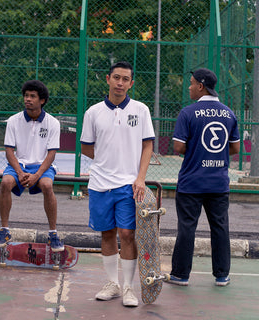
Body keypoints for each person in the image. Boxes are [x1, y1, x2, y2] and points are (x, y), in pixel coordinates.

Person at [80, 61, 155, 307]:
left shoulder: (141, 110)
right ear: (108, 79)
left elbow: (147, 145)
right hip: (100, 183)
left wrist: (140, 177)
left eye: (125, 79)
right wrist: (106, 161)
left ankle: (128, 288)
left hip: (128, 185)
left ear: (131, 83)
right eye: (116, 78)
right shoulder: (92, 112)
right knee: (108, 233)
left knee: (127, 234)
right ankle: (112, 283)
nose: (120, 83)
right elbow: (86, 147)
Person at [169, 68, 240, 287]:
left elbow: (178, 146)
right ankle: (222, 275)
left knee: (187, 228)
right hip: (218, 182)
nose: (189, 87)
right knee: (220, 228)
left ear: (201, 86)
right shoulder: (229, 113)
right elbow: (235, 148)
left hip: (192, 182)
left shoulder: (188, 113)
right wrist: (212, 154)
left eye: (191, 83)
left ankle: (181, 275)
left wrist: (197, 150)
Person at [0, 80, 64, 252]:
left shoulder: (53, 123)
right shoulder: (13, 121)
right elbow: (9, 151)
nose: (27, 99)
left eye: (32, 96)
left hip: (42, 167)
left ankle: (53, 234)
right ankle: (5, 231)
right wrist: (20, 171)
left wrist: (37, 175)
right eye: (26, 96)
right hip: (19, 164)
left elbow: (51, 154)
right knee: (5, 183)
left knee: (47, 185)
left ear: (42, 100)